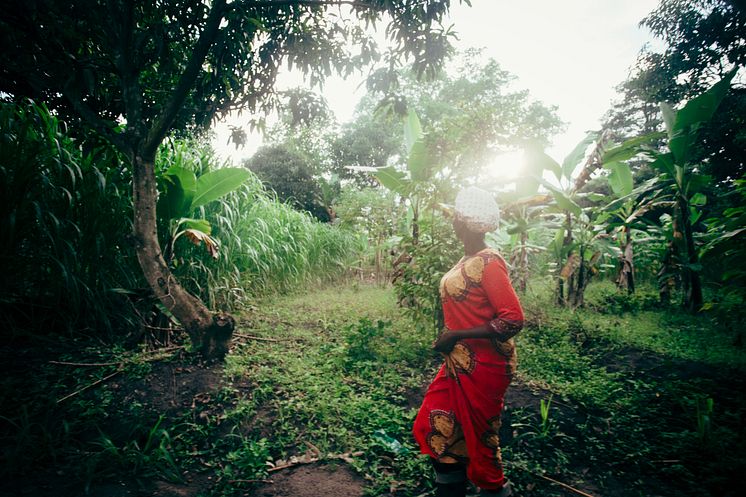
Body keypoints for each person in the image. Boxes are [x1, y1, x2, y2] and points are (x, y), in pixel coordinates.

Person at [413, 187, 524, 497]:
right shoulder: (469, 258)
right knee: (436, 424)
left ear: (462, 223)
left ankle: (495, 490)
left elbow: (512, 319)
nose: (452, 223)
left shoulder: (489, 261)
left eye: (455, 218)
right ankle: (450, 490)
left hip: (484, 366)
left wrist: (458, 335)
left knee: (481, 437)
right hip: (458, 363)